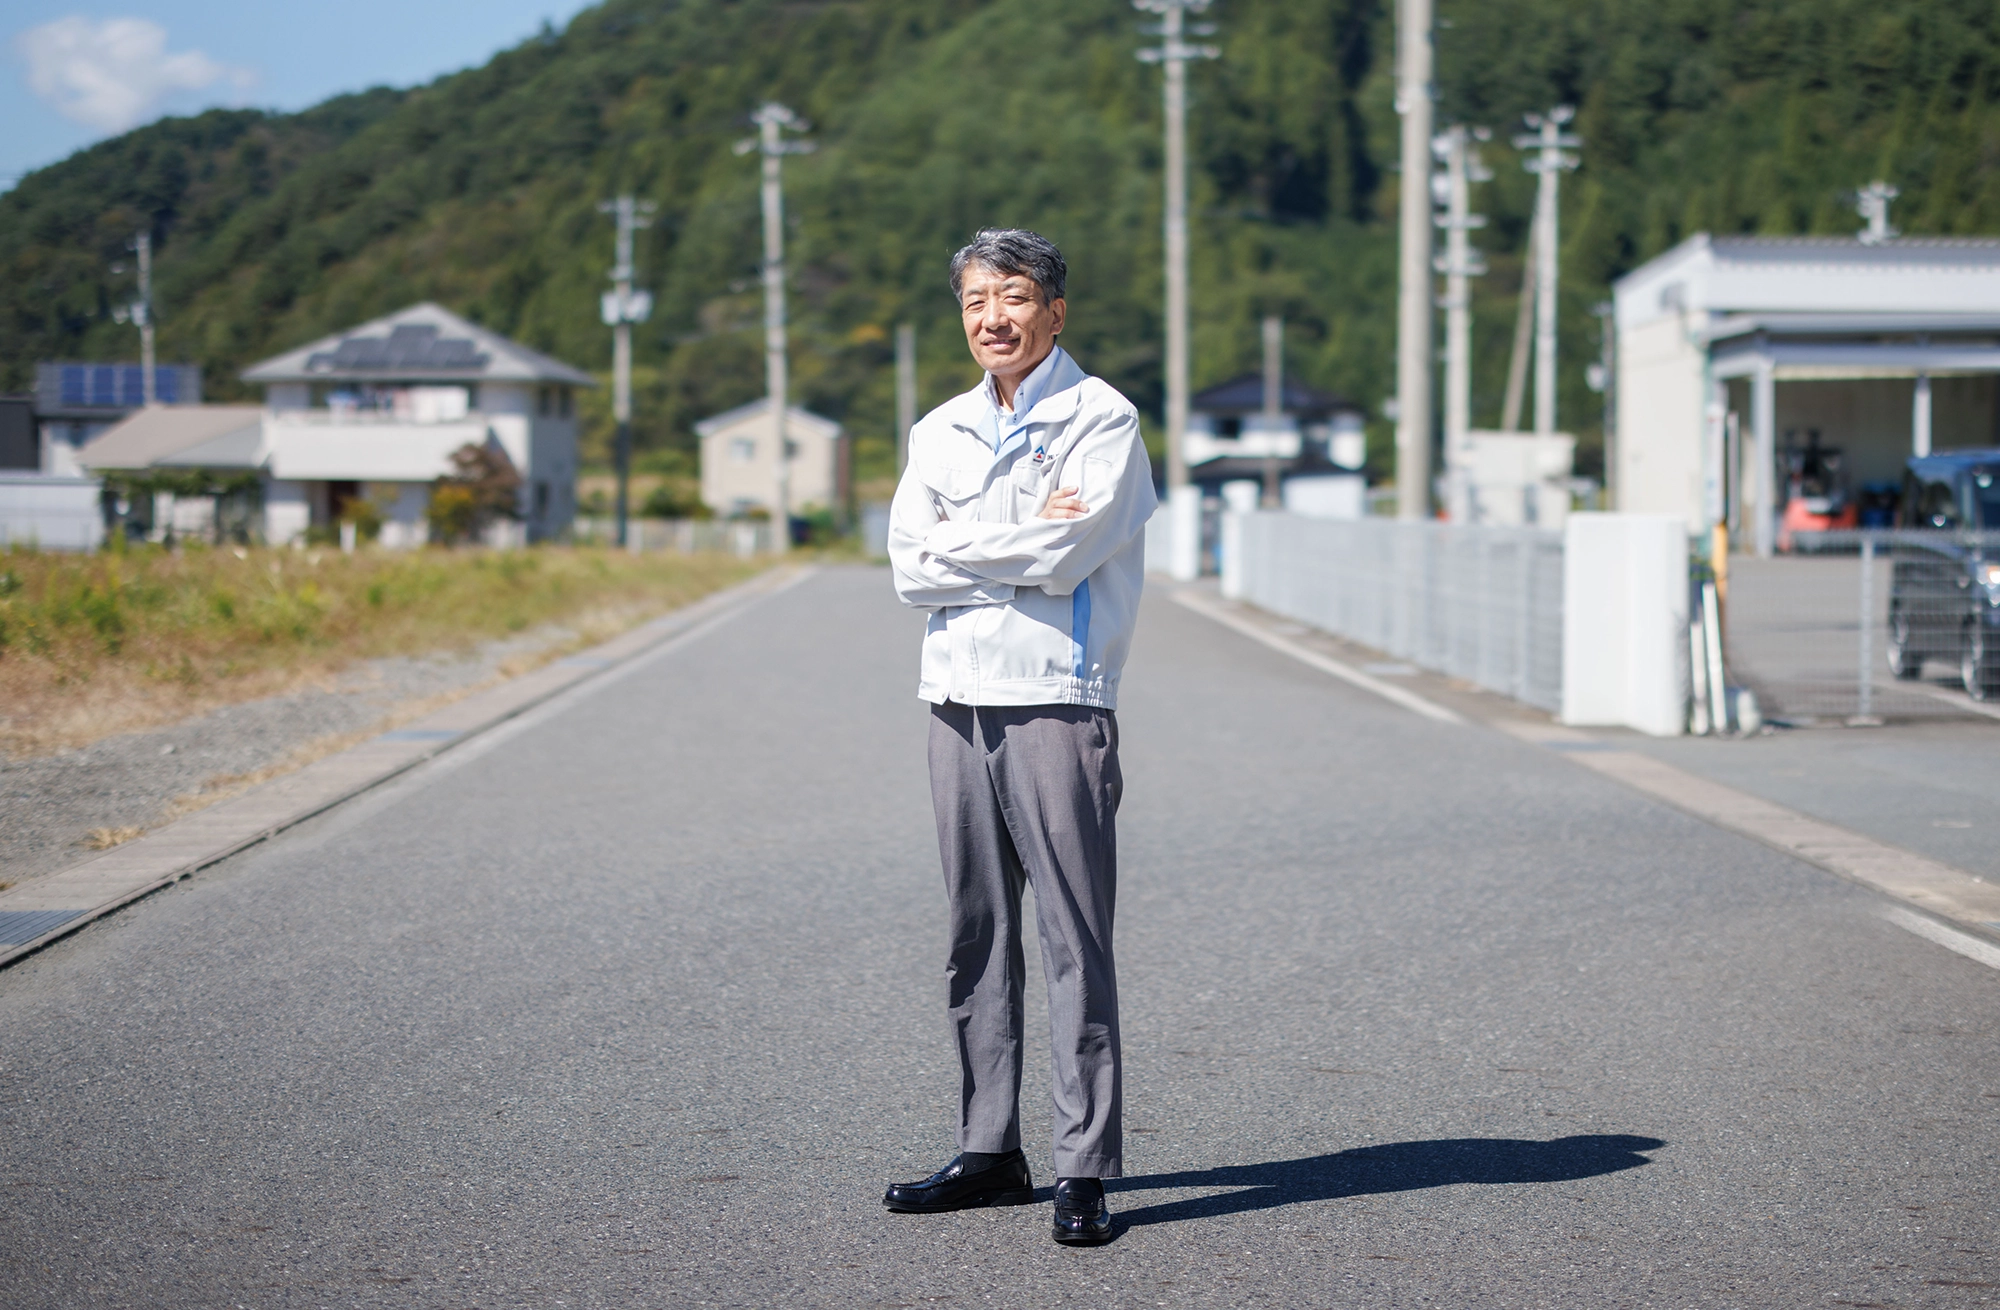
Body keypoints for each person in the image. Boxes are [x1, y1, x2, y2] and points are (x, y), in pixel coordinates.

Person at [883, 228, 1157, 1246]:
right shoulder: (940, 427)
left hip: (1056, 694)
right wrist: (1008, 551)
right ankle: (987, 1145)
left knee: (1071, 936)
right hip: (952, 696)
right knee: (975, 933)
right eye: (972, 301)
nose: (990, 317)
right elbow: (909, 565)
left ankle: (1083, 1163)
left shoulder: (1102, 419)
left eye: (1012, 295)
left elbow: (1067, 546)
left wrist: (973, 545)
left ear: (1054, 308)